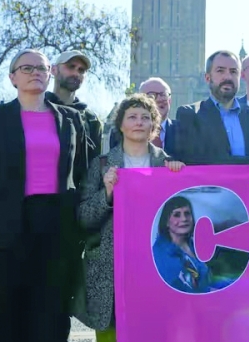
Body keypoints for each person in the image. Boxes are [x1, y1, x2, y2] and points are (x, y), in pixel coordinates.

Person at [0, 49, 90, 342]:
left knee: (49, 319)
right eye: (26, 68)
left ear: (50, 73)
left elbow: (82, 177)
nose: (35, 72)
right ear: (12, 77)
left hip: (54, 233)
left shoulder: (72, 121)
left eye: (41, 67)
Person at [77, 94, 184, 341]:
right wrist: (107, 194)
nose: (138, 122)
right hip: (111, 275)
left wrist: (179, 177)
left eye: (145, 118)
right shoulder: (101, 165)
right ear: (121, 124)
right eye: (132, 117)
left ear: (154, 125)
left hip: (156, 271)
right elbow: (83, 218)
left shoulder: (168, 166)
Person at [172, 51, 249, 165]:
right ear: (207, 78)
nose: (228, 77)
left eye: (233, 71)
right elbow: (196, 160)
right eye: (220, 71)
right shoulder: (190, 115)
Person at [48, 50, 103, 161]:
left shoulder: (91, 119)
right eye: (71, 67)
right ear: (53, 70)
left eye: (81, 70)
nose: (76, 73)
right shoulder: (38, 109)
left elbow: (94, 166)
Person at [152, 196, 213, 293]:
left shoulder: (193, 244)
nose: (184, 219)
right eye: (177, 215)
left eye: (187, 213)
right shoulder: (161, 254)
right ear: (166, 222)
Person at [109, 77, 177, 152]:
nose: (159, 99)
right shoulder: (121, 131)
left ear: (169, 101)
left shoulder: (184, 131)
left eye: (163, 94)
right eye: (151, 95)